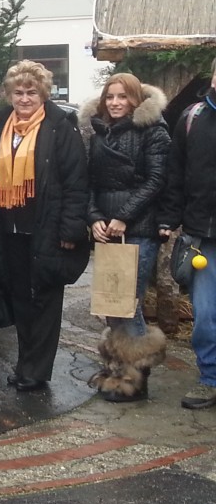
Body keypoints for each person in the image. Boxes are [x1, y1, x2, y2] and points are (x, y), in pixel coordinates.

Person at [0, 61, 90, 393]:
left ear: (43, 93)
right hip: (9, 229)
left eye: (31, 92)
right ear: (10, 94)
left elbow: (76, 183)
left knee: (44, 299)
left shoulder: (61, 127)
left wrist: (71, 232)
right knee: (21, 299)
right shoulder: (0, 125)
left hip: (46, 228)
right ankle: (23, 363)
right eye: (18, 92)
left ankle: (37, 370)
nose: (25, 98)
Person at [81, 72, 170, 402]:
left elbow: (156, 179)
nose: (115, 103)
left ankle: (135, 377)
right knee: (111, 302)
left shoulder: (153, 131)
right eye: (110, 97)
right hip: (106, 230)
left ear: (135, 100)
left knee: (129, 302)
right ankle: (118, 367)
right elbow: (89, 182)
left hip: (138, 228)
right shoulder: (98, 133)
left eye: (122, 97)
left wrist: (122, 216)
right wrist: (93, 218)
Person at [159, 58, 216, 409]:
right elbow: (174, 175)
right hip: (203, 237)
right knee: (206, 316)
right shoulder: (192, 119)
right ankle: (210, 378)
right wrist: (168, 219)